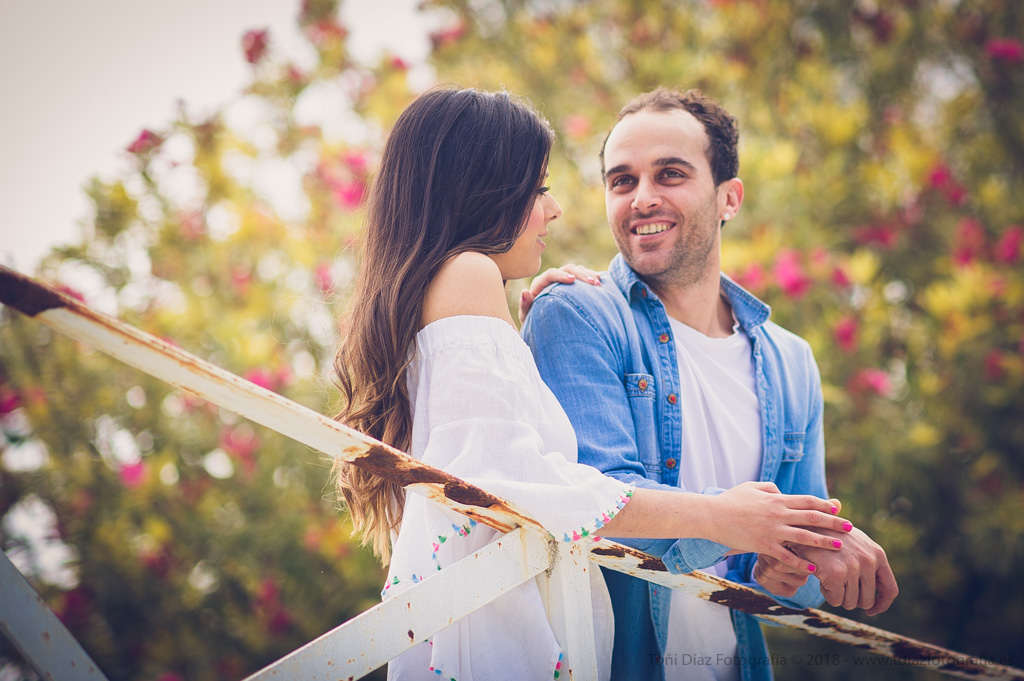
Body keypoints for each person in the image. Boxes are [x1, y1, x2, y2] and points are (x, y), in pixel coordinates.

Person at [331, 87, 854, 681]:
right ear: (482, 191)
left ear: (729, 197)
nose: (552, 210)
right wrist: (718, 517)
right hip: (500, 638)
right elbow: (520, 481)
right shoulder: (474, 275)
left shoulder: (464, 286)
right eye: (538, 188)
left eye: (671, 173)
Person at [520, 87, 899, 681]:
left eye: (670, 174)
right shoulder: (577, 314)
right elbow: (592, 503)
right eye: (621, 181)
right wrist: (732, 521)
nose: (642, 199)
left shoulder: (791, 362)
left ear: (729, 198)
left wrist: (795, 565)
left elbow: (791, 589)